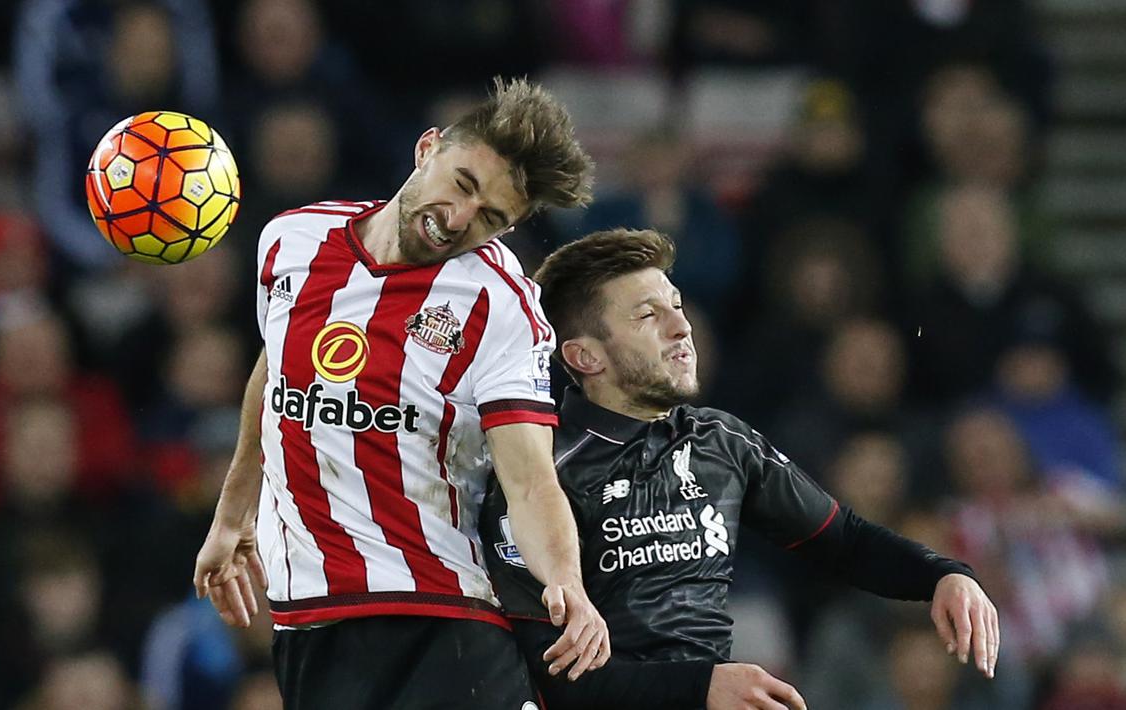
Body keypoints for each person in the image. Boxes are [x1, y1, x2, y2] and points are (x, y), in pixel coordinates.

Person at [192, 78, 610, 708]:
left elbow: (529, 478)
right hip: (309, 623)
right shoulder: (290, 241)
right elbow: (276, 365)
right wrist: (233, 513)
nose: (459, 219)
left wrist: (565, 581)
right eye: (464, 184)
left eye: (493, 219)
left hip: (439, 621)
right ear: (427, 150)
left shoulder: (498, 305)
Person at [480, 228, 1000, 709]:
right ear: (586, 357)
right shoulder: (538, 476)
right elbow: (550, 677)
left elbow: (842, 539)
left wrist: (942, 575)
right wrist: (703, 687)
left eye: (677, 306)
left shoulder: (721, 441)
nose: (682, 327)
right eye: (647, 316)